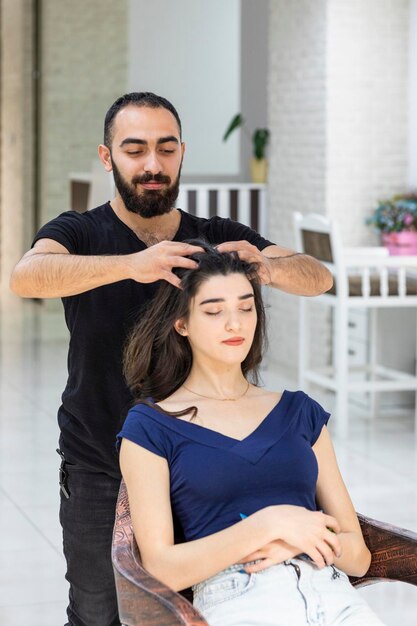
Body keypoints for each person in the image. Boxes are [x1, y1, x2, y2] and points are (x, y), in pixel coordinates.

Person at [9, 92, 332, 626]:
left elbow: (317, 278)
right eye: (134, 150)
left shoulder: (218, 235)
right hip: (99, 463)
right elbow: (27, 276)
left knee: (196, 606)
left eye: (165, 149)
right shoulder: (80, 231)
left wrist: (270, 269)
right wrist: (132, 265)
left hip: (201, 467)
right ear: (107, 156)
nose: (152, 165)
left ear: (182, 152)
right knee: (97, 612)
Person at [118, 241, 385, 626]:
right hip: (240, 599)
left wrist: (293, 537)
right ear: (182, 323)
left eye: (246, 307)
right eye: (214, 311)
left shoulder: (299, 411)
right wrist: (267, 525)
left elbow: (357, 556)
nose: (235, 323)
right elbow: (159, 569)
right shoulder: (150, 427)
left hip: (334, 592)